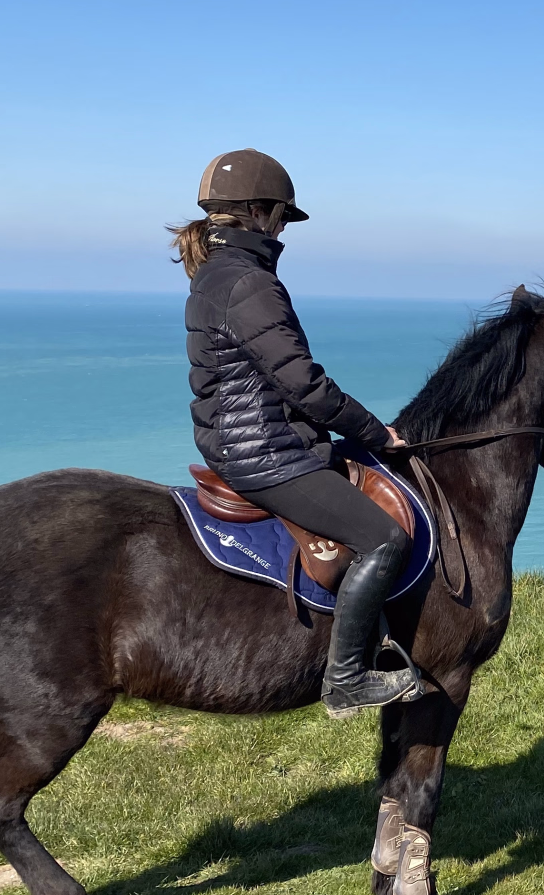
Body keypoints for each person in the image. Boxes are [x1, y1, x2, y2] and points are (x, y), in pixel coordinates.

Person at [175, 149, 420, 716]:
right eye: (282, 216)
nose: (284, 227)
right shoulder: (250, 283)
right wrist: (377, 434)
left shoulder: (215, 274)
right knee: (386, 539)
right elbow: (304, 385)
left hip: (241, 443)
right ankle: (347, 680)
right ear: (258, 212)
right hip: (267, 454)